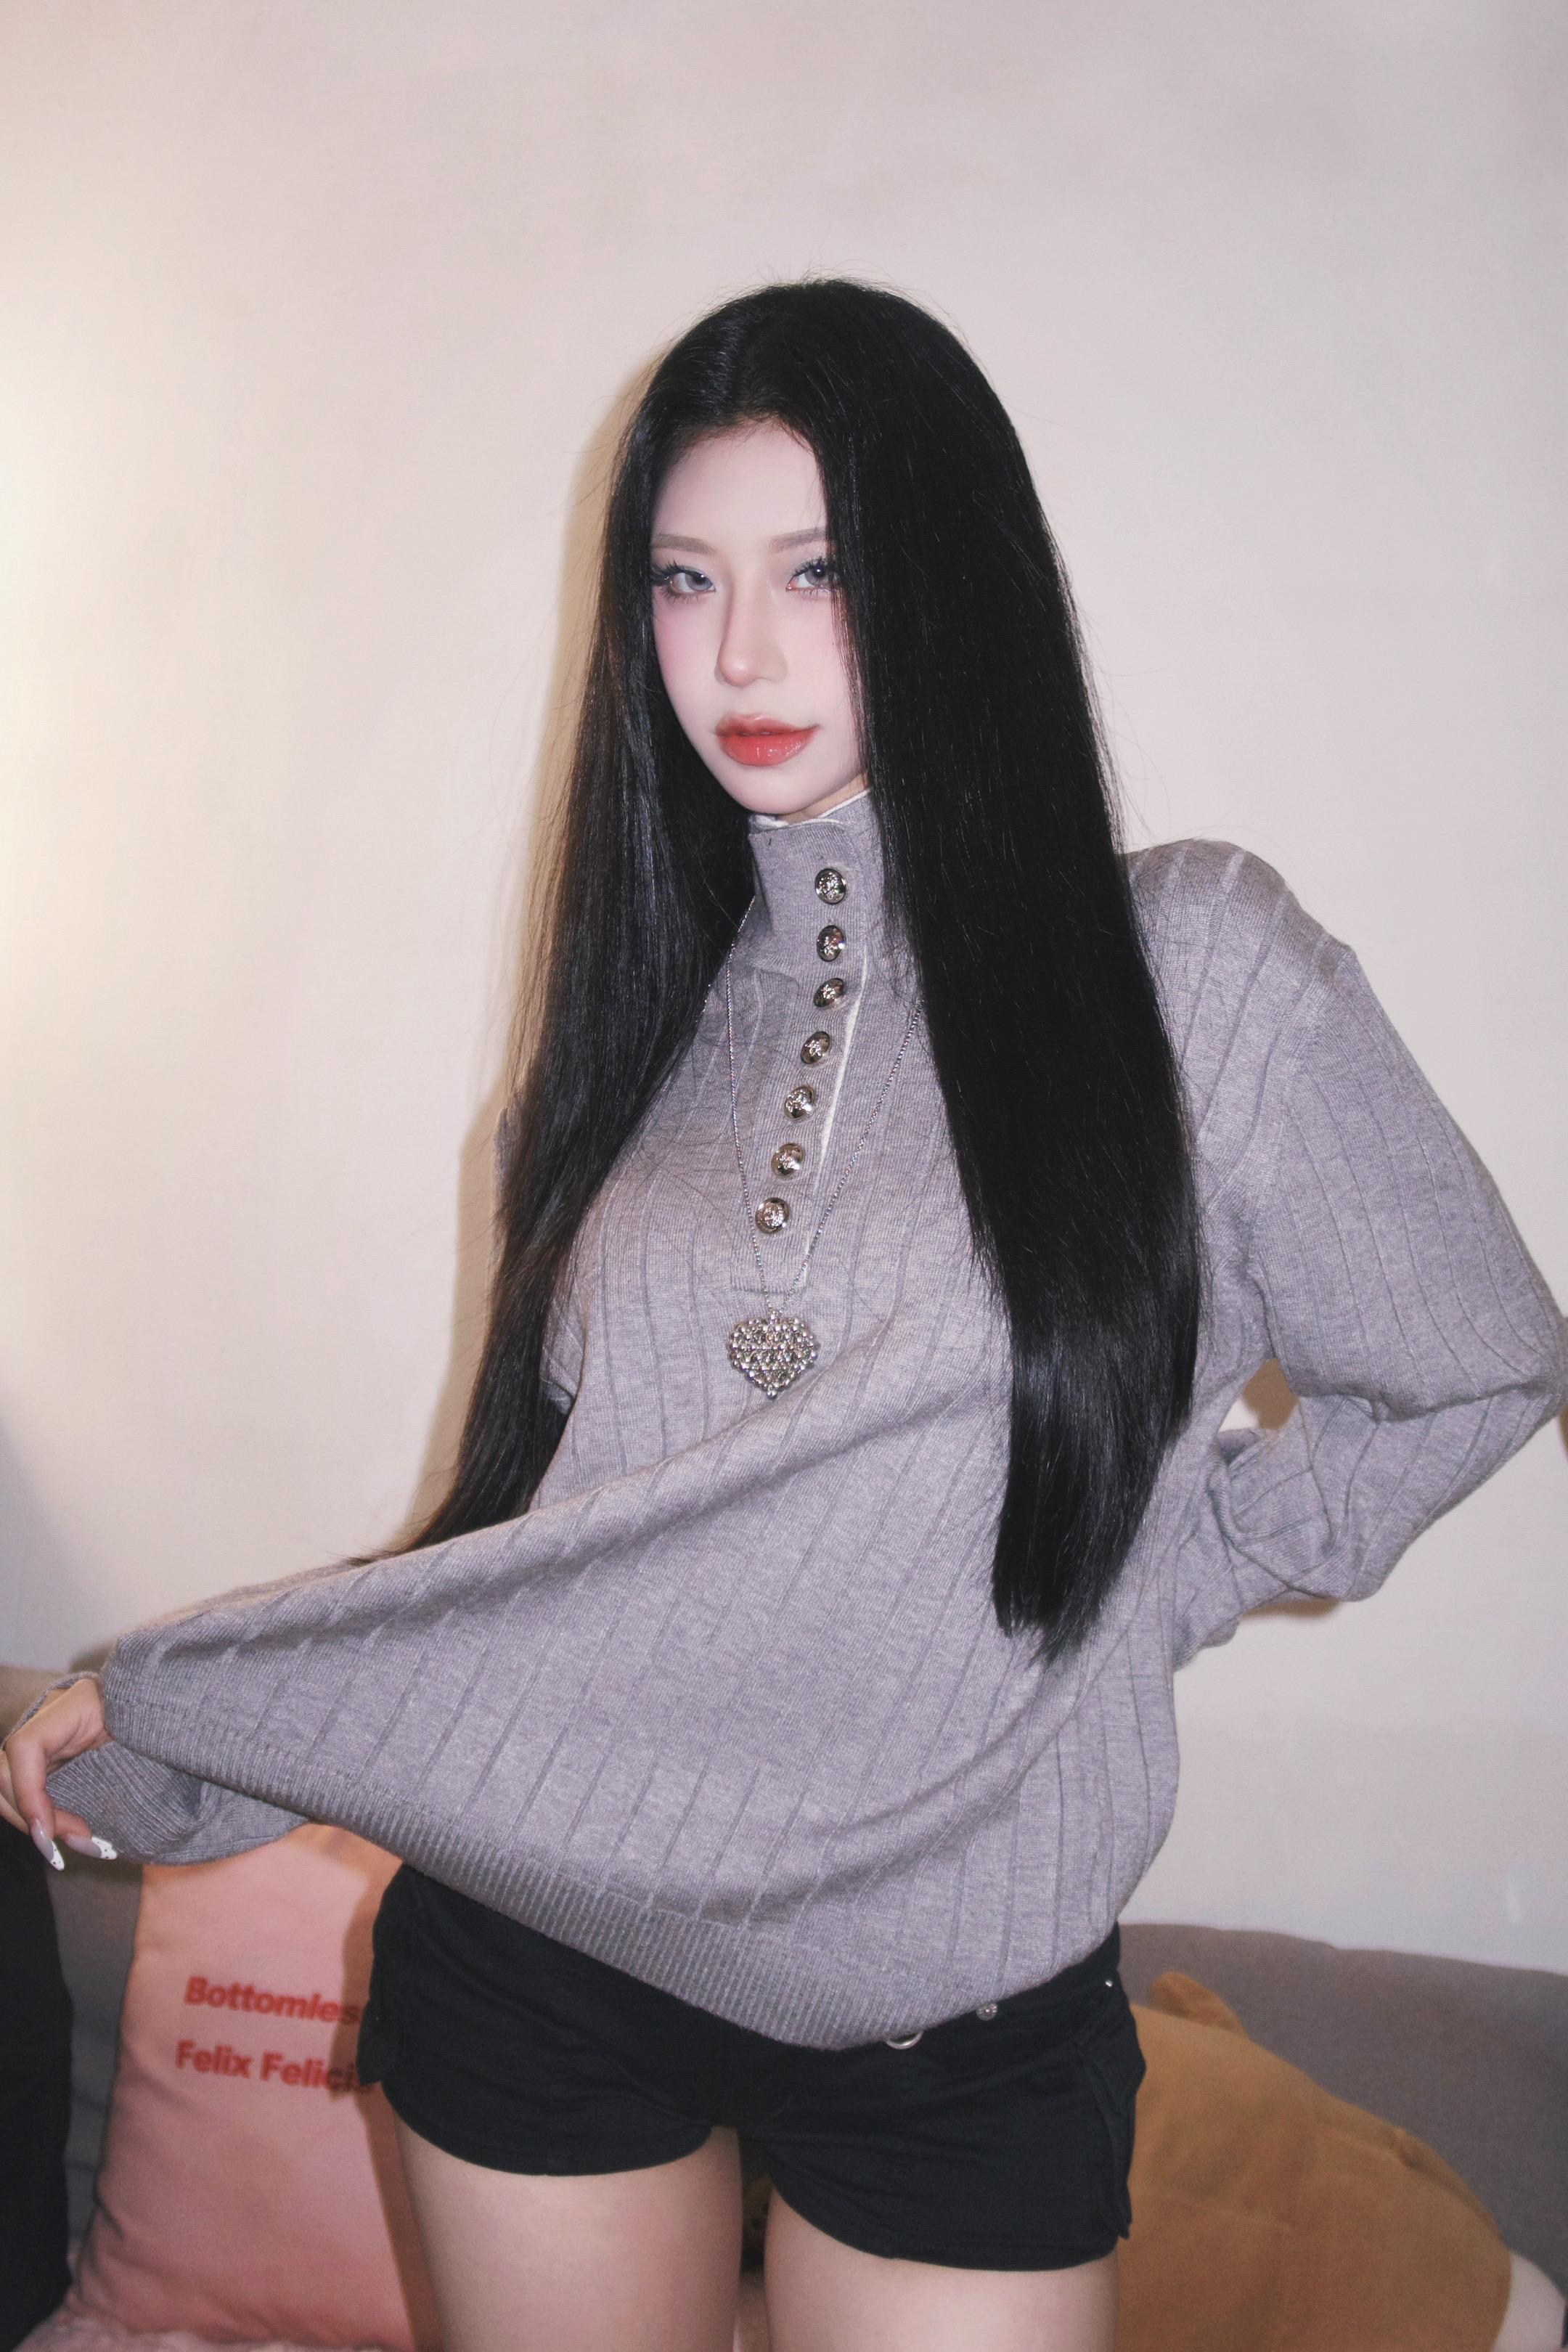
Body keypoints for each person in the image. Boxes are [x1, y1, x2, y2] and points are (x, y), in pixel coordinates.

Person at [4, 281, 1564, 2352]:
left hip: (955, 2029)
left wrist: (1146, 1573)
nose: (737, 653)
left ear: (956, 578)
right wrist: (207, 1717)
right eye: (684, 579)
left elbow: (1473, 1360)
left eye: (818, 571)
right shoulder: (620, 1033)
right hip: (542, 1968)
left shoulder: (1198, 973)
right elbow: (552, 1545)